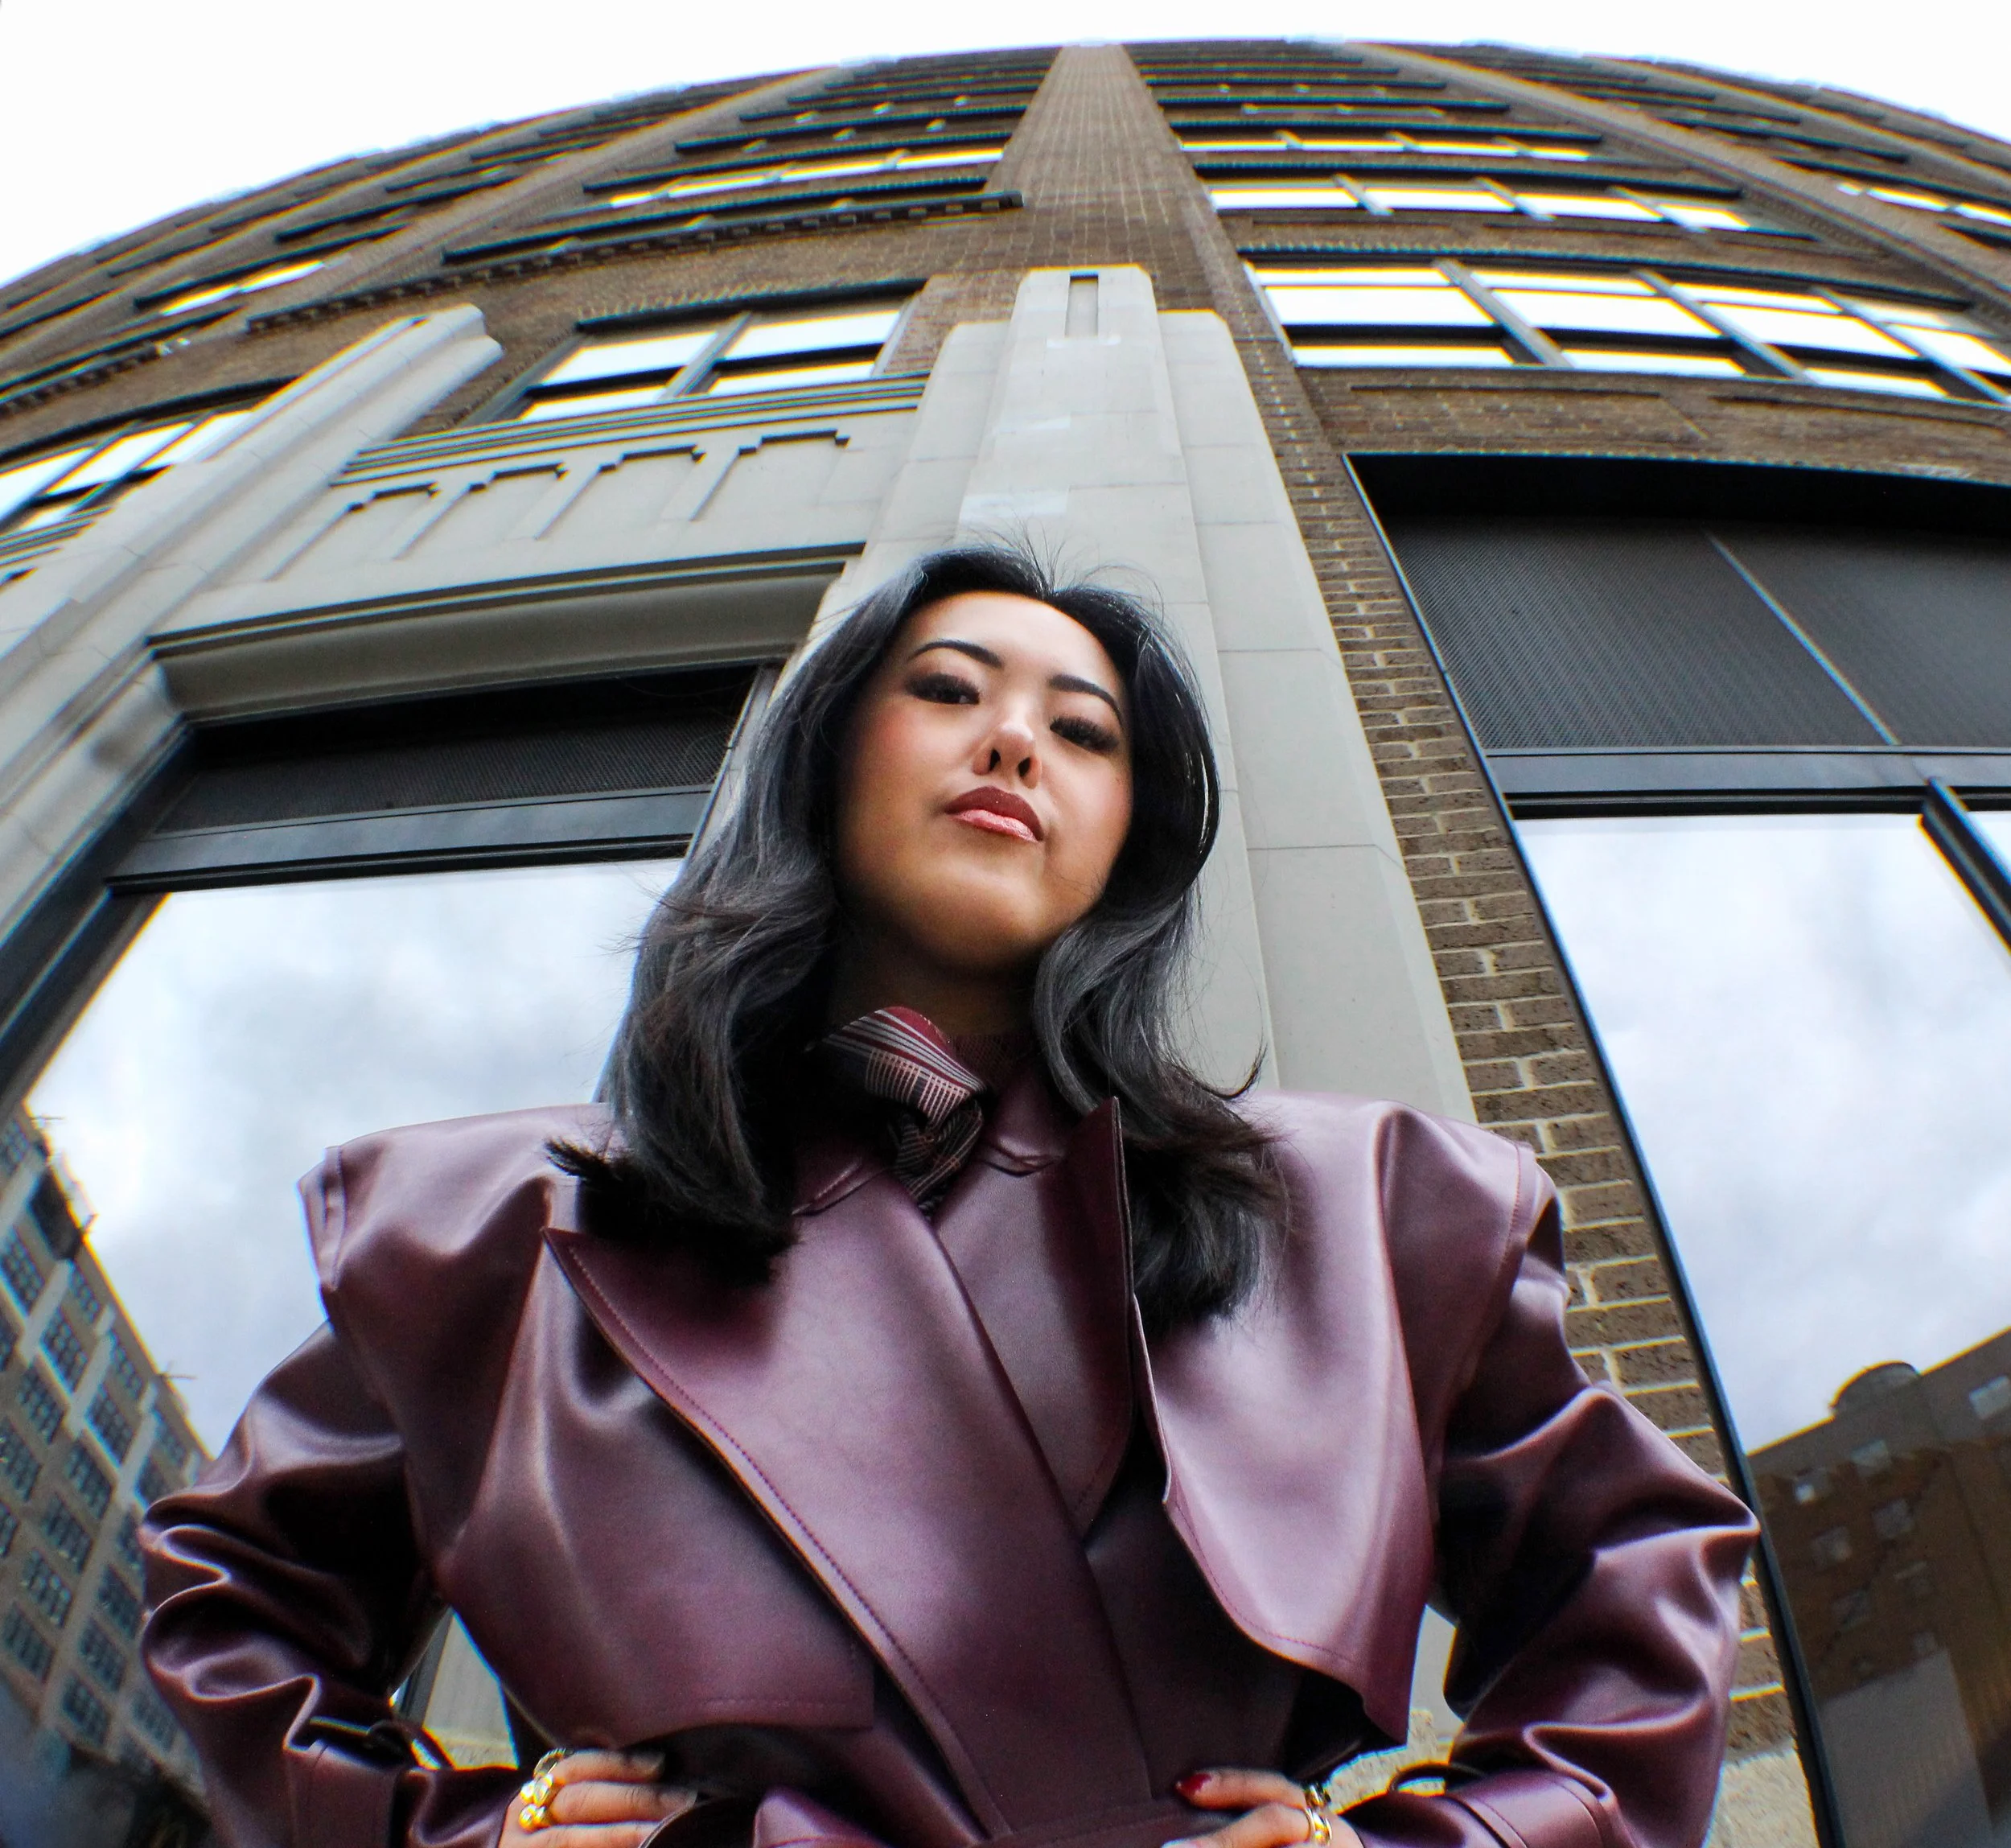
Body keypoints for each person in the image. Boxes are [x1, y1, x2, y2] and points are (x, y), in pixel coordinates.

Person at [142, 545, 1758, 1848]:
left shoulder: (1373, 1208)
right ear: (827, 752)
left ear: (1132, 833)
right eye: (947, 689)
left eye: (1084, 728)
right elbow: (237, 1603)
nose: (1012, 743)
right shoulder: (491, 1228)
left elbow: (1633, 1574)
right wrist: (459, 1830)